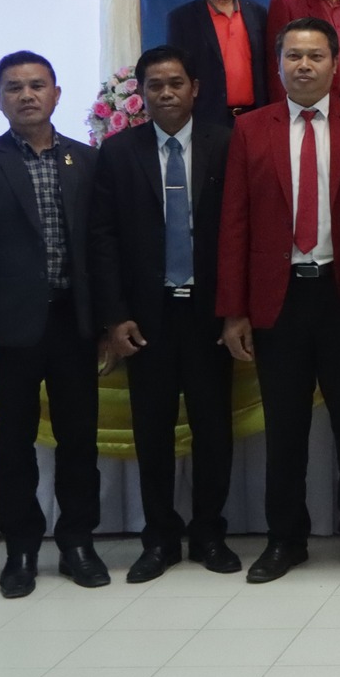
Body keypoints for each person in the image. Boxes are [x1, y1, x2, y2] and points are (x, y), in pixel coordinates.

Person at [217, 17, 340, 584]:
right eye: (293, 55)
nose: (304, 65)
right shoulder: (251, 129)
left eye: (316, 55)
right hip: (279, 299)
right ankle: (284, 539)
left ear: (336, 63)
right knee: (285, 427)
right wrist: (235, 310)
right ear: (277, 65)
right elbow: (235, 222)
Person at [0, 51, 105, 598]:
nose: (27, 95)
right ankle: (21, 550)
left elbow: (101, 249)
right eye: (14, 87)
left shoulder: (87, 160)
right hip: (10, 331)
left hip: (75, 325)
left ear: (57, 94)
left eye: (37, 85)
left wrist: (108, 323)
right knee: (14, 446)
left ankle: (78, 542)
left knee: (78, 440)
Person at [89, 45, 239, 582]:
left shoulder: (226, 144)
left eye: (176, 83)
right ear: (142, 93)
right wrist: (115, 317)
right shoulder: (118, 152)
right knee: (152, 432)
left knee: (213, 429)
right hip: (145, 319)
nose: (167, 93)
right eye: (155, 85)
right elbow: (103, 239)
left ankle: (209, 533)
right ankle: (159, 539)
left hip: (209, 313)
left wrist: (235, 309)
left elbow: (240, 232)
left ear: (194, 88)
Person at [165, 0, 270, 128]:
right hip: (206, 121)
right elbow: (177, 73)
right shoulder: (182, 19)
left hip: (255, 117)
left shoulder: (257, 13)